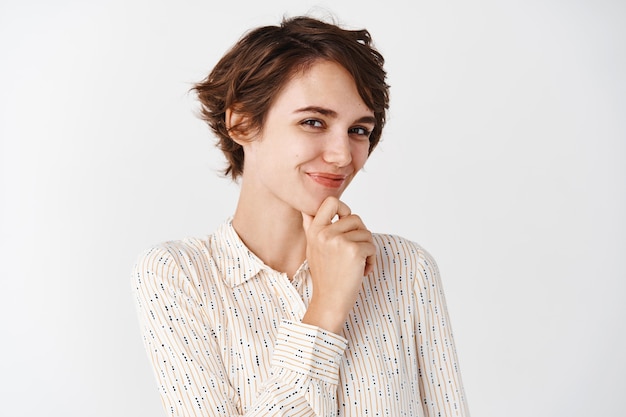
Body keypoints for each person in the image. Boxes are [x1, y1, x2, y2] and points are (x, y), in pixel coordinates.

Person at [132, 14, 470, 417]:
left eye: (359, 130)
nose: (343, 155)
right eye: (314, 122)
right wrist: (326, 308)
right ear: (241, 122)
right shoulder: (178, 275)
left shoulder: (406, 269)